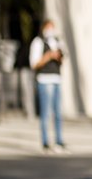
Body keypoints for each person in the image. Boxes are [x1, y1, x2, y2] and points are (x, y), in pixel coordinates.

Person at [29, 19, 67, 154]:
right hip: (44, 81)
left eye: (53, 27)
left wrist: (58, 57)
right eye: (48, 27)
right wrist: (48, 56)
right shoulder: (38, 42)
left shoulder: (57, 41)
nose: (51, 30)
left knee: (58, 113)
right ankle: (45, 143)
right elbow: (34, 64)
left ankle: (59, 141)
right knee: (45, 113)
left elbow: (62, 61)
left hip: (56, 79)